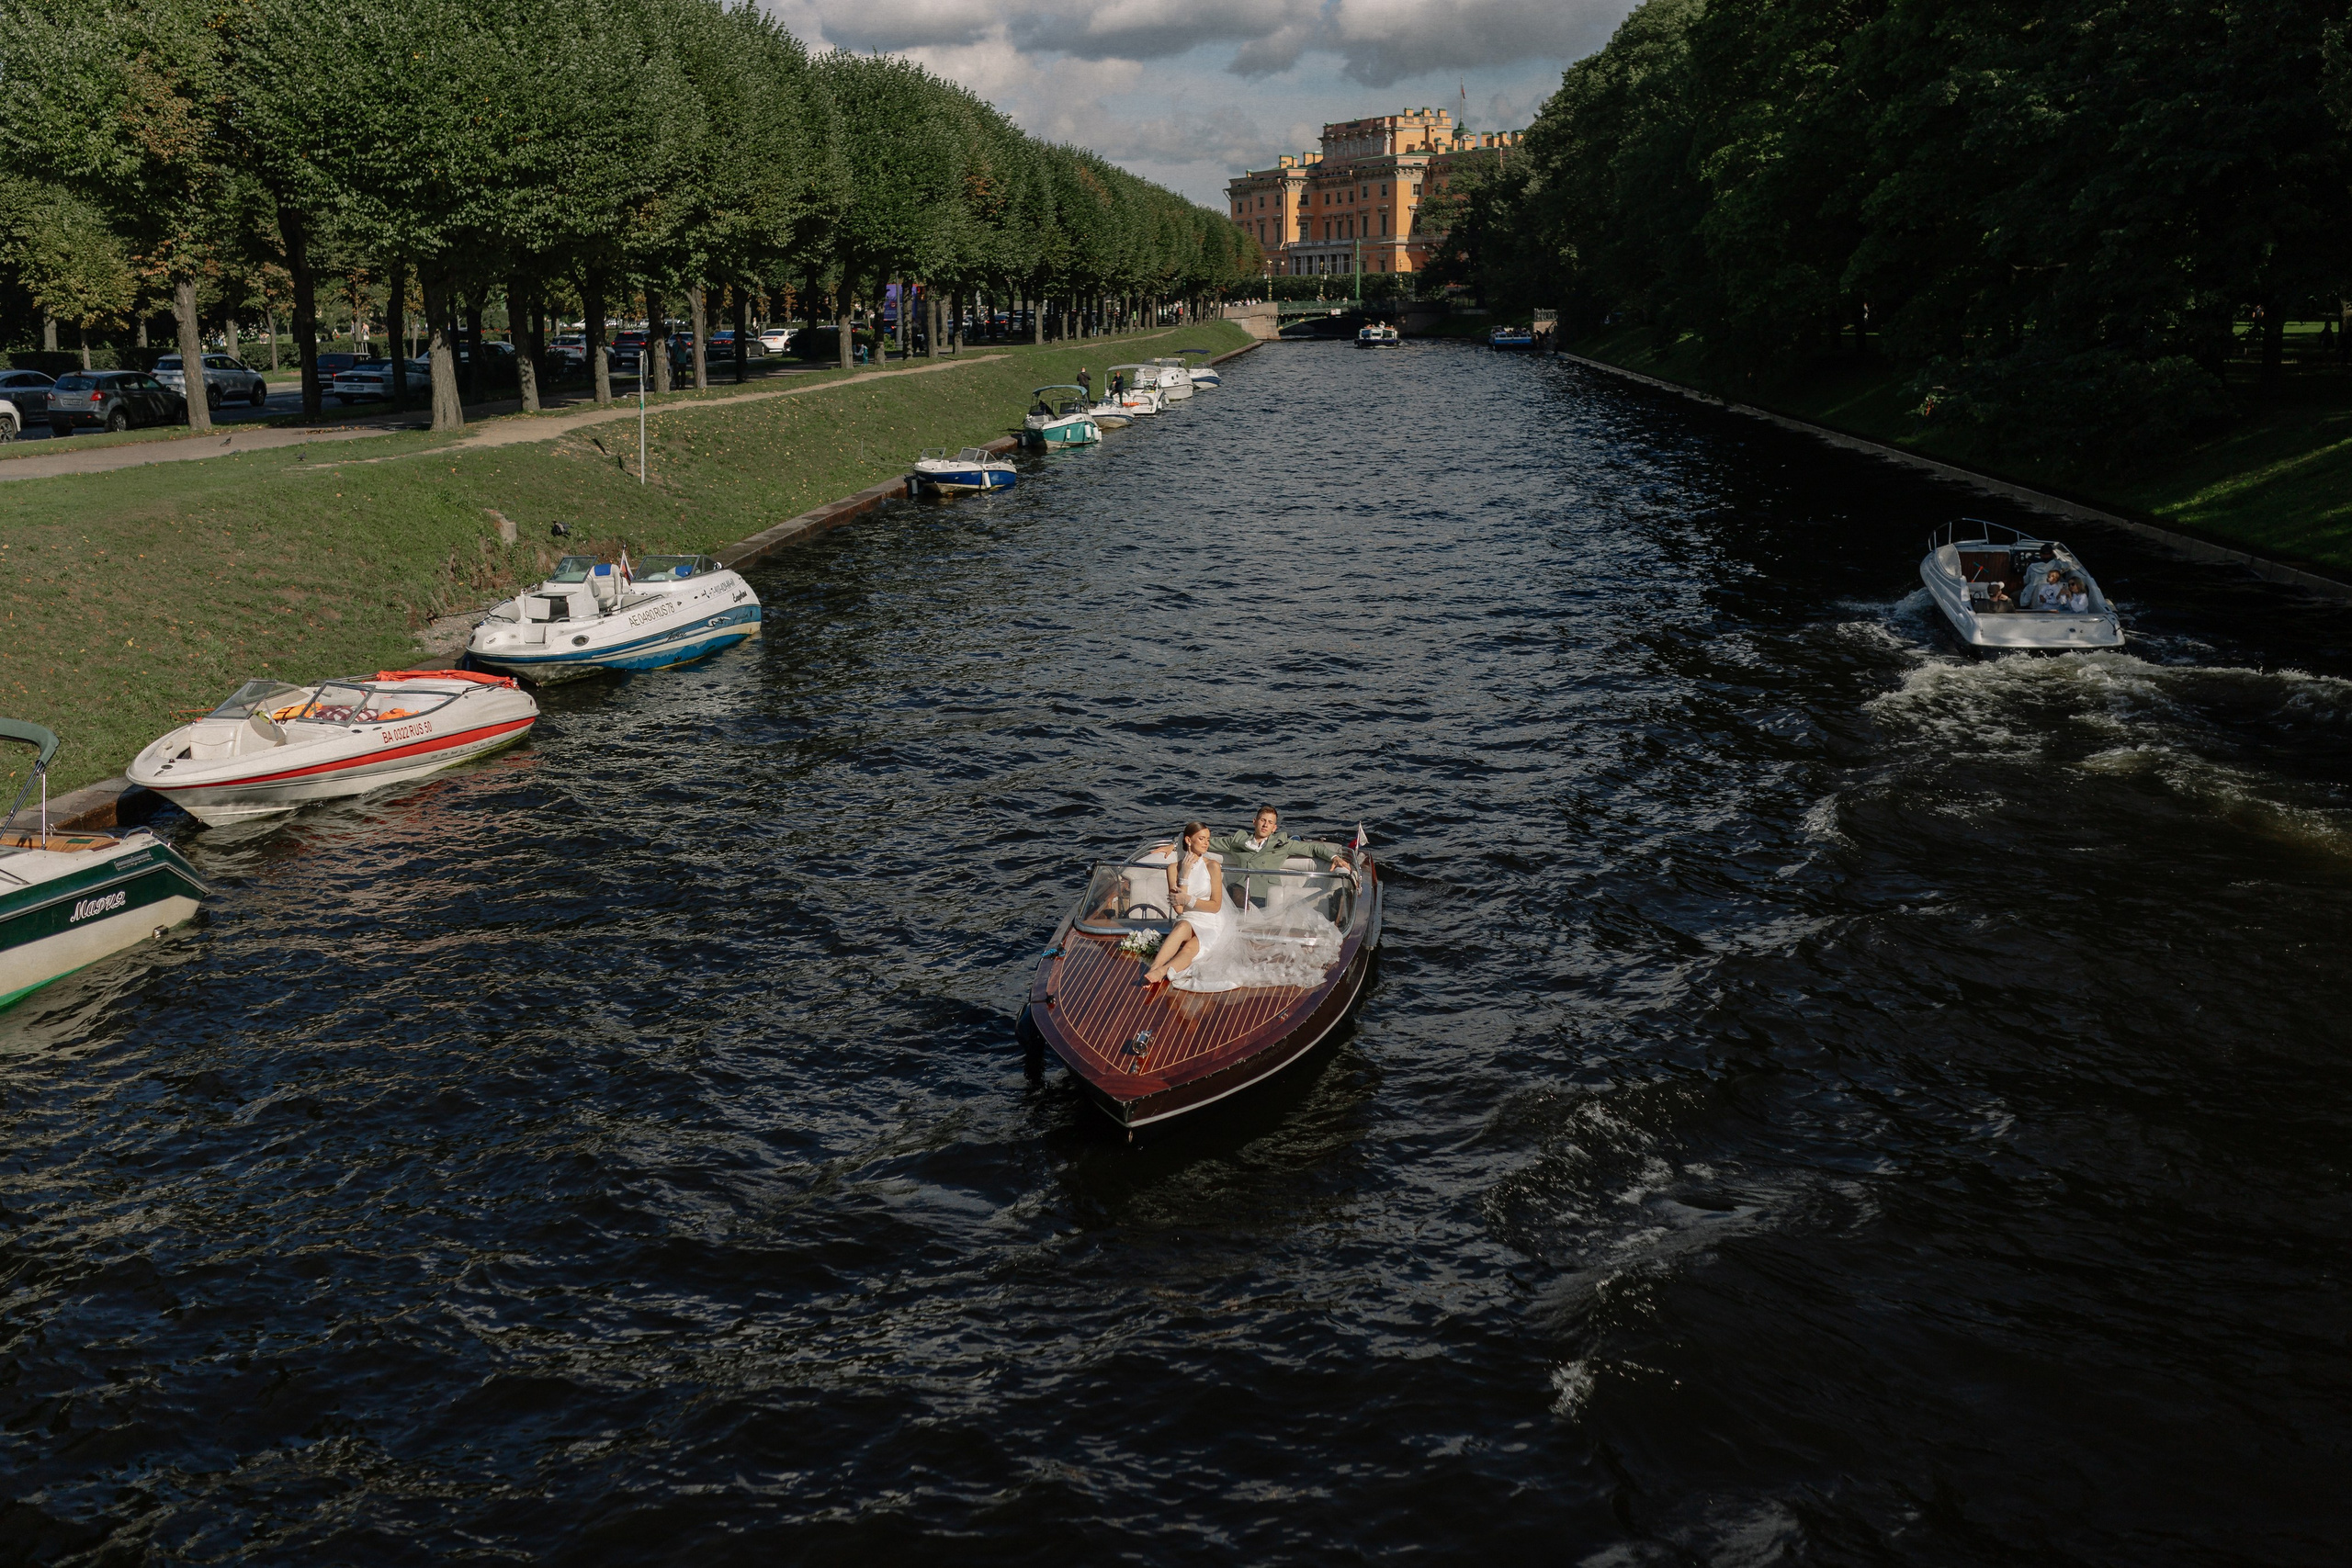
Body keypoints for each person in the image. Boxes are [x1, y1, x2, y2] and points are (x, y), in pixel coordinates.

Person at [1141, 822, 1230, 988]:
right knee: (1182, 925)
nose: (1206, 843)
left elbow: (1215, 906)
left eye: (1208, 840)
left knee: (1189, 948)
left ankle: (1162, 972)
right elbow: (1179, 909)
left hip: (1212, 920)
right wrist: (1185, 875)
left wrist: (1188, 899)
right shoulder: (1173, 868)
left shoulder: (1213, 866)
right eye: (1201, 839)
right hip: (1188, 918)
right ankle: (1154, 967)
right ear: (1188, 840)